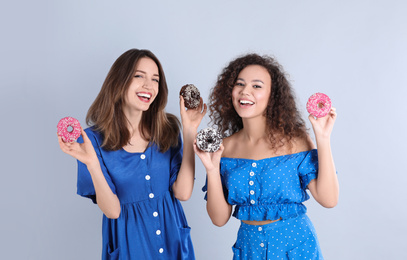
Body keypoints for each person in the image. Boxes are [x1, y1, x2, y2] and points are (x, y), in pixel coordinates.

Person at [58, 49, 206, 259]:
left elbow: (183, 193)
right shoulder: (91, 141)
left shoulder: (168, 129)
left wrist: (190, 131)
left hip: (173, 240)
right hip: (130, 245)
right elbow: (113, 211)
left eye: (155, 79)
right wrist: (92, 163)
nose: (149, 86)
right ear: (119, 81)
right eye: (139, 76)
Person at [194, 53, 338, 259]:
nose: (245, 91)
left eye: (257, 86)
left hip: (295, 247)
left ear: (273, 95)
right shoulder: (223, 147)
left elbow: (329, 199)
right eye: (240, 84)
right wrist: (211, 168)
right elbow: (219, 219)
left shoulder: (295, 140)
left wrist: (323, 139)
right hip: (249, 249)